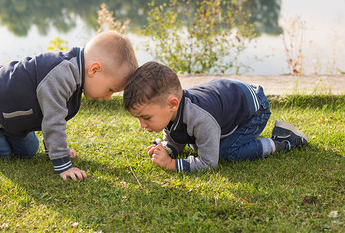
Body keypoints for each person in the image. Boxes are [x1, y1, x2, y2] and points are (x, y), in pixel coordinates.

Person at [0, 31, 138, 181]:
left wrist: (56, 149)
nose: (109, 96)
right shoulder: (62, 75)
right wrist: (62, 164)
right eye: (111, 89)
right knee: (0, 154)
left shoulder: (75, 74)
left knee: (29, 150)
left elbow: (50, 113)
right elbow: (53, 120)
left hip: (3, 116)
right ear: (94, 70)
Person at [123, 61, 308, 173]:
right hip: (229, 99)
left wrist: (172, 164)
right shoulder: (172, 109)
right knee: (198, 142)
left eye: (146, 117)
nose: (142, 125)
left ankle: (283, 139)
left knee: (226, 152)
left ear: (172, 104)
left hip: (254, 109)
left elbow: (209, 162)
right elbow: (176, 133)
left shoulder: (200, 119)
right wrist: (168, 148)